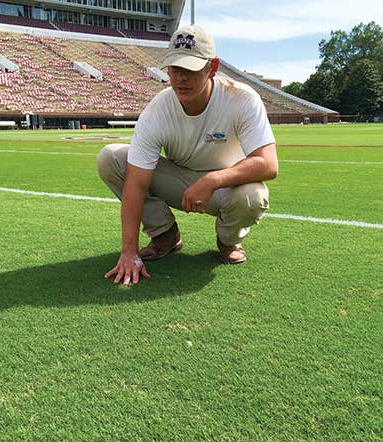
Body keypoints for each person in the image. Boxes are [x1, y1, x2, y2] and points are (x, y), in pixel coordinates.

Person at [98, 24, 278, 285]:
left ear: (212, 68)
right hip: (179, 179)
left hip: (226, 186)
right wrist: (129, 253)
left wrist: (213, 180)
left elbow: (268, 164)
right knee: (111, 159)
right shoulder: (158, 110)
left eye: (191, 69)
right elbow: (136, 183)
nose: (181, 78)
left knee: (253, 197)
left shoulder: (241, 98)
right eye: (175, 68)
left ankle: (228, 241)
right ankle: (164, 234)